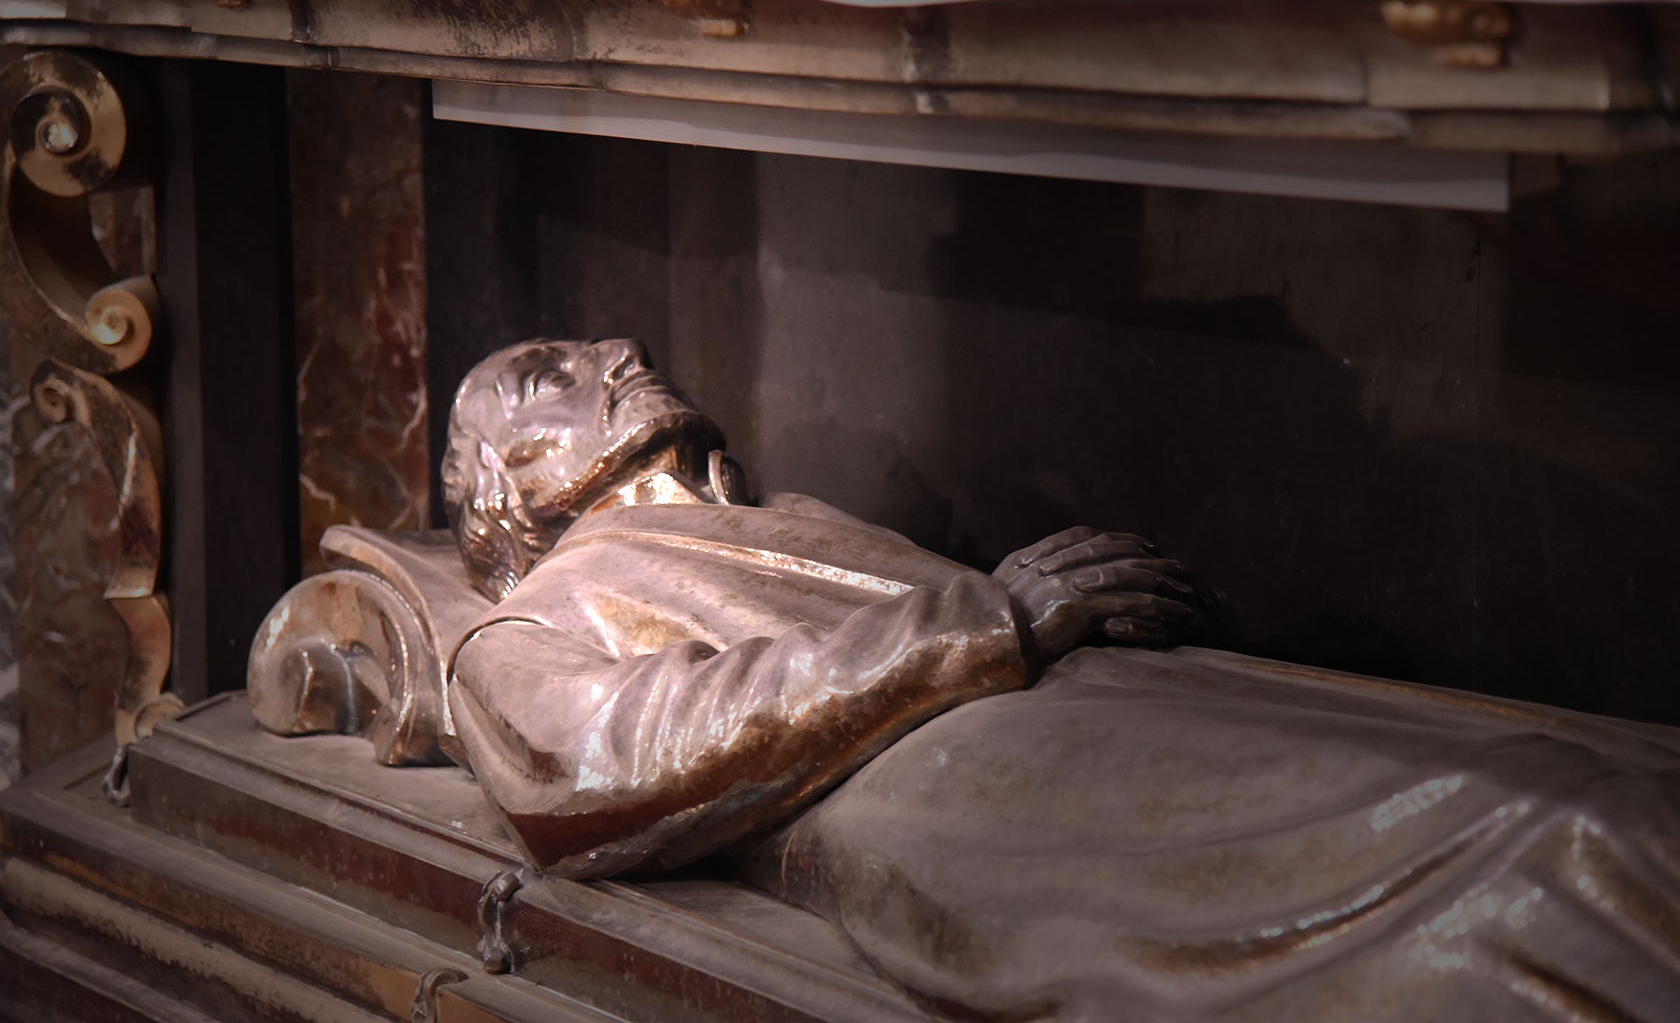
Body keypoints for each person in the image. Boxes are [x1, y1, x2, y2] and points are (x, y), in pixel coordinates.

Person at [251, 338, 1680, 1022]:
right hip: (940, 784)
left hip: (1064, 701)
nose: (617, 354)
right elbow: (604, 759)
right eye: (558, 368)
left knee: (1559, 796)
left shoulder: (783, 519)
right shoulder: (540, 615)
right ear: (507, 479)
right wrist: (986, 617)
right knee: (1521, 848)